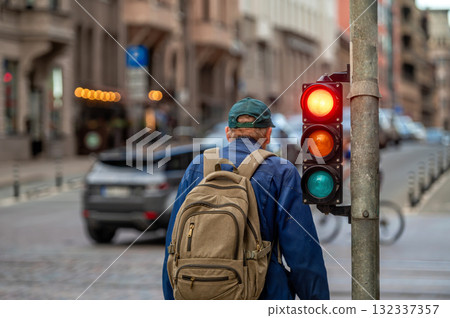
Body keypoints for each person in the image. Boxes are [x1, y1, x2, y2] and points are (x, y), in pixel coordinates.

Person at [162, 97, 329, 300]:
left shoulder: (197, 167)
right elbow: (303, 254)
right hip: (263, 292)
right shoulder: (281, 172)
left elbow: (173, 243)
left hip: (195, 291)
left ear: (228, 133)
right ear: (268, 134)